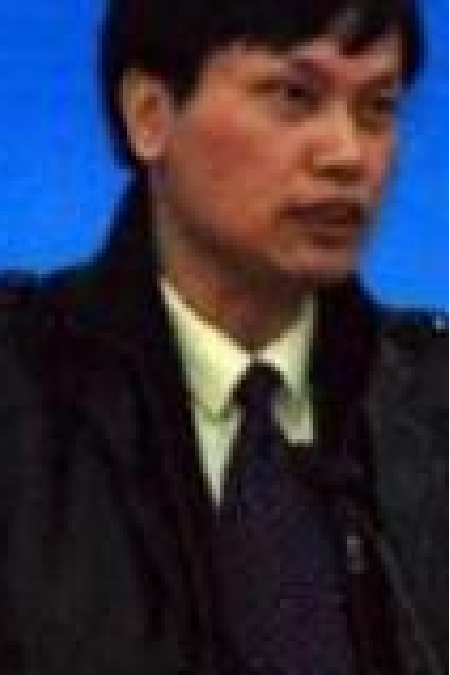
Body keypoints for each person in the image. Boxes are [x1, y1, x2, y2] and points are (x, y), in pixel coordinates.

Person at [0, 0, 448, 673]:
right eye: (295, 96)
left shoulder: (430, 401)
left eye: (377, 109)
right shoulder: (21, 396)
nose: (348, 155)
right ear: (150, 114)